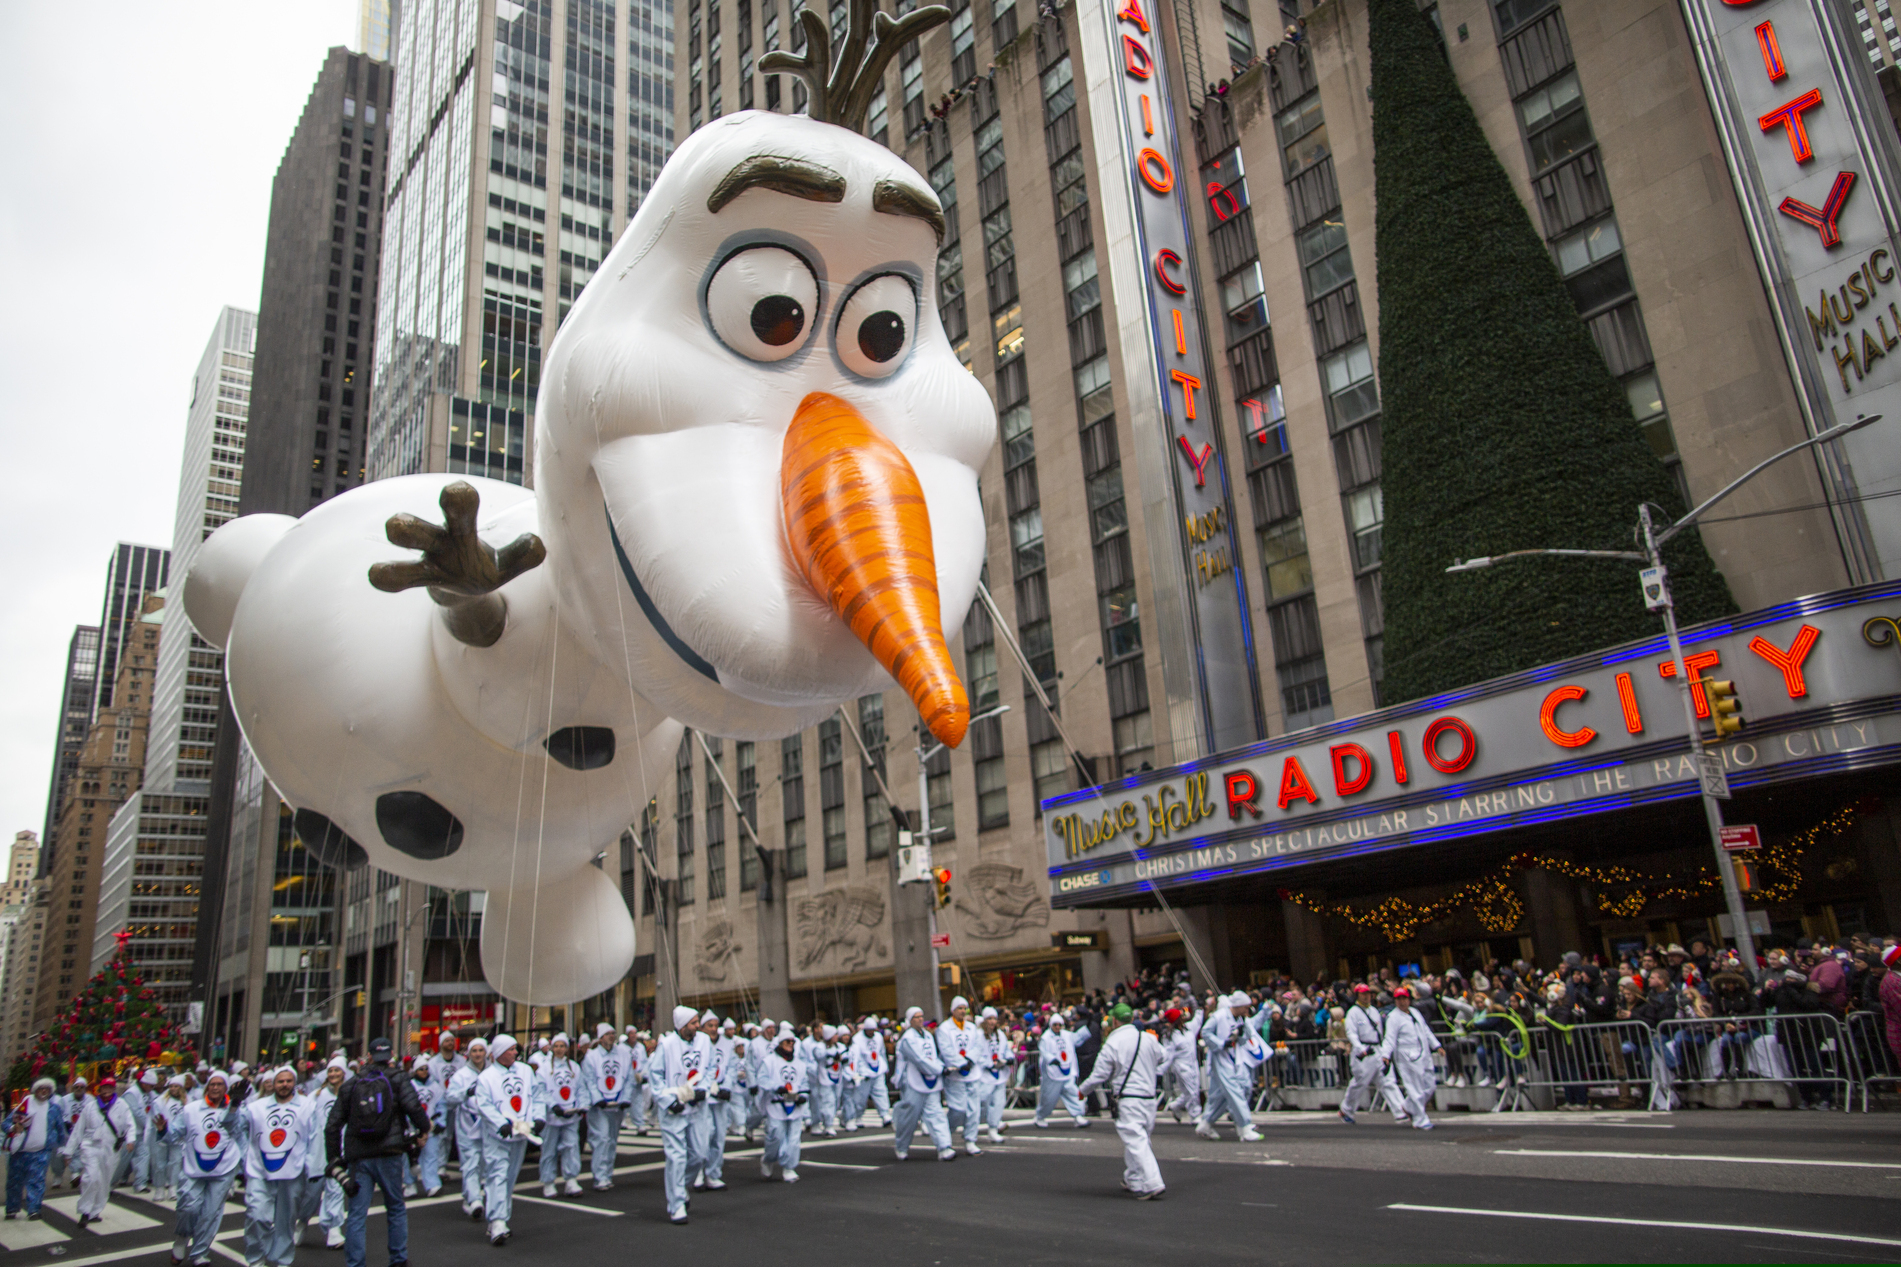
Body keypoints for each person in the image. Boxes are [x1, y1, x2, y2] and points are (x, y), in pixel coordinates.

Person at [325, 1037, 431, 1266]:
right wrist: (424, 1130)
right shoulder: (399, 1078)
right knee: (395, 1207)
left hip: (359, 1155)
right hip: (390, 1151)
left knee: (356, 1214)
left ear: (369, 1056)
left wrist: (334, 1159)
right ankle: (398, 1259)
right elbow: (414, 1107)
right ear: (391, 1054)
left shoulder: (351, 1083)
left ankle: (355, 1263)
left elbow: (332, 1125)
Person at [1077, 1003, 1166, 1200]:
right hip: (1149, 1098)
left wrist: (1083, 1090)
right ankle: (1133, 1178)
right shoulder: (1148, 1038)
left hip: (1128, 1099)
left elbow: (1099, 1074)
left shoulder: (1113, 1043)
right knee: (1139, 1139)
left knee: (1136, 1140)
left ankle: (1153, 1182)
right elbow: (1163, 1057)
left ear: (1115, 1021)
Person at [241, 1066, 321, 1267]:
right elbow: (233, 1127)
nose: (284, 1085)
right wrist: (233, 1106)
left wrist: (313, 1168)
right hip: (259, 1171)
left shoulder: (307, 1105)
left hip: (292, 1173)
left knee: (286, 1223)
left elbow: (314, 1138)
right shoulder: (255, 1107)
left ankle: (283, 1261)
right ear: (273, 1084)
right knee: (257, 1215)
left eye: (288, 1081)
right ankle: (257, 1258)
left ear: (294, 1083)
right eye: (280, 1081)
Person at [168, 1070, 244, 1267]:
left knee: (211, 1213)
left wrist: (234, 1107)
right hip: (194, 1167)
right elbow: (175, 1132)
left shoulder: (235, 1110)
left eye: (220, 1084)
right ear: (207, 1087)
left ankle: (199, 1252)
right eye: (212, 1084)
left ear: (226, 1088)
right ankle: (182, 1237)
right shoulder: (191, 1109)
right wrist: (162, 1131)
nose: (216, 1088)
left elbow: (236, 1131)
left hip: (223, 1169)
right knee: (189, 1208)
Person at [472, 1034, 538, 1245]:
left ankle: (498, 1219)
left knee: (509, 1177)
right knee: (497, 1174)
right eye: (511, 1049)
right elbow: (484, 1104)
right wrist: (500, 1122)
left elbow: (536, 1095)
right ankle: (498, 1221)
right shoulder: (486, 1077)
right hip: (497, 1136)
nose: (516, 1053)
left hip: (521, 1134)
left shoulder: (526, 1071)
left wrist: (539, 1117)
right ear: (500, 1052)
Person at [651, 1004, 713, 1223]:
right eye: (693, 1023)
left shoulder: (704, 1042)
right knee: (676, 1157)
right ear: (682, 1025)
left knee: (699, 1153)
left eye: (698, 1022)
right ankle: (676, 1204)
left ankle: (681, 1186)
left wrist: (703, 1089)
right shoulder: (666, 1045)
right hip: (674, 1110)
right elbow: (655, 1074)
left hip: (697, 1107)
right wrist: (668, 1101)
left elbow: (710, 1068)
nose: (698, 1026)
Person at [62, 1075, 137, 1226]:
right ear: (100, 1089)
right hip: (90, 1146)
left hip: (111, 1148)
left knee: (104, 1181)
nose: (107, 1091)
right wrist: (69, 1151)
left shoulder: (122, 1105)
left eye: (110, 1088)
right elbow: (78, 1130)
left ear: (113, 1089)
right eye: (105, 1088)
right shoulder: (91, 1106)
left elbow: (130, 1124)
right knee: (91, 1178)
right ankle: (85, 1211)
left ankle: (95, 1211)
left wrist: (130, 1140)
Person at [1197, 993, 1262, 1141]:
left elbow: (1245, 1038)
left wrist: (1240, 1034)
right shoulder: (1219, 1016)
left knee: (1223, 1095)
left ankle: (1206, 1123)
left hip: (1235, 1058)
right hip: (1221, 1060)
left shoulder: (1241, 1019)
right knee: (1234, 1092)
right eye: (1246, 1007)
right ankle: (1244, 1127)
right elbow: (1205, 1032)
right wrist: (1221, 1043)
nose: (1247, 1010)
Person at [893, 1006, 955, 1161]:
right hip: (914, 1082)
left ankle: (944, 1147)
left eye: (921, 1016)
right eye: (916, 1017)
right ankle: (901, 1146)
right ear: (910, 1020)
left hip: (931, 1081)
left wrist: (940, 1068)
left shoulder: (928, 1035)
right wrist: (940, 1070)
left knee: (937, 1114)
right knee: (909, 1117)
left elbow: (933, 1057)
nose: (920, 1019)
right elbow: (919, 1059)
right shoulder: (907, 1039)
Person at [4, 1078, 69, 1220]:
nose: (44, 1091)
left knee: (37, 1181)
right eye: (41, 1089)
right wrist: (13, 1128)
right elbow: (5, 1123)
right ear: (35, 1090)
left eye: (47, 1089)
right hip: (19, 1153)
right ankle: (12, 1208)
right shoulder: (24, 1105)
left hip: (41, 1152)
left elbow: (60, 1128)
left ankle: (34, 1209)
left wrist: (62, 1146)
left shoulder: (53, 1108)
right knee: (14, 1182)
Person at [1379, 987, 1443, 1130]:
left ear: (1409, 999)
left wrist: (1436, 1045)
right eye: (1398, 999)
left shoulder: (1415, 1012)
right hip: (1406, 1057)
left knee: (1429, 1085)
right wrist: (1385, 1055)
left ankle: (1408, 1106)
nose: (1401, 1002)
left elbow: (1425, 1030)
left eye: (1404, 998)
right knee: (1415, 1089)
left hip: (1423, 1054)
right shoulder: (1393, 1018)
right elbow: (1389, 1038)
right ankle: (1420, 1119)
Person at [581, 1022, 634, 1190]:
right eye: (608, 1033)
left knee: (611, 1140)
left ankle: (608, 1173)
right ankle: (599, 1176)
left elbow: (629, 1078)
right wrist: (597, 1099)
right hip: (599, 1108)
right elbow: (589, 1080)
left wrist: (625, 1098)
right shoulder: (591, 1057)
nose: (612, 1036)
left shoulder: (624, 1054)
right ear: (600, 1037)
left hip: (616, 1106)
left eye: (613, 1033)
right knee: (602, 1138)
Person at [304, 1059, 350, 1250]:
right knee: (309, 1195)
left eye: (337, 1070)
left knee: (336, 1188)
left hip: (340, 1150)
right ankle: (301, 1219)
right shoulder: (317, 1096)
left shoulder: (350, 1094)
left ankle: (333, 1229)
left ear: (344, 1073)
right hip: (317, 1150)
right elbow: (304, 1120)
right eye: (330, 1071)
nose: (333, 1074)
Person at [758, 1024, 810, 1181]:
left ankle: (789, 1167)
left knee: (794, 1139)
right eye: (787, 1042)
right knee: (776, 1137)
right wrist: (776, 1088)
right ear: (780, 1044)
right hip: (776, 1105)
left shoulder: (800, 1064)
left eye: (792, 1042)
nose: (790, 1045)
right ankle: (768, 1159)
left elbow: (804, 1084)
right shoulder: (769, 1062)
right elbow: (762, 1079)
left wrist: (802, 1096)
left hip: (795, 1105)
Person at [445, 1037, 489, 1219]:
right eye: (474, 1051)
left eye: (481, 1050)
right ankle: (475, 1200)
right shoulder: (461, 1076)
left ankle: (468, 1198)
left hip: (488, 1129)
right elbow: (449, 1099)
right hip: (467, 1129)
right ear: (469, 1054)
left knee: (483, 1166)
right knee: (470, 1164)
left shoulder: (493, 1073)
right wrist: (466, 1093)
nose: (478, 1054)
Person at [537, 1034, 585, 1197]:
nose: (559, 1049)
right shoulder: (544, 1069)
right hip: (552, 1117)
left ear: (566, 1048)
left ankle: (571, 1180)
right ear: (552, 1048)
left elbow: (581, 1088)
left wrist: (582, 1105)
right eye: (556, 1046)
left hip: (571, 1115)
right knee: (549, 1149)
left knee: (571, 1147)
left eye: (562, 1046)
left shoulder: (574, 1067)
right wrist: (553, 1105)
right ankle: (548, 1182)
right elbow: (541, 1090)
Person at [936, 996, 983, 1155]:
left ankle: (970, 1140)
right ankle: (945, 1132)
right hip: (955, 1075)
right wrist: (960, 1062)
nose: (963, 1011)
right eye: (959, 1008)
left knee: (974, 1109)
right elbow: (946, 1049)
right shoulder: (944, 1028)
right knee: (958, 1109)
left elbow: (978, 1045)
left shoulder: (972, 1027)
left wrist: (970, 1060)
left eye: (965, 1008)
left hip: (972, 1073)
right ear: (952, 1010)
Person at [696, 1014, 735, 1191]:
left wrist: (726, 1087)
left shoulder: (727, 1044)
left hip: (720, 1098)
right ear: (702, 1027)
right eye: (709, 1025)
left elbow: (731, 1068)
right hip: (703, 1098)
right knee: (703, 1137)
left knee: (719, 1137)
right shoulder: (698, 1044)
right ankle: (697, 1172)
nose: (713, 1029)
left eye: (715, 1025)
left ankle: (713, 1174)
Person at [1338, 984, 1385, 1124]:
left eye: (1368, 993)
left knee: (1386, 1081)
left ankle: (1402, 1111)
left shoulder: (1374, 1011)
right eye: (1362, 993)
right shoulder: (1353, 1012)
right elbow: (1351, 1033)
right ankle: (1346, 1109)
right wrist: (1359, 1048)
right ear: (1357, 995)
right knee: (1360, 1081)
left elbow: (1380, 1032)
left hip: (1376, 1048)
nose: (1366, 996)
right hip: (1363, 1050)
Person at [1035, 1013, 1089, 1128]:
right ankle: (1040, 1116)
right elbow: (1043, 1051)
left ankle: (1078, 1116)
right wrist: (1052, 1059)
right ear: (1051, 1025)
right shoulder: (1046, 1037)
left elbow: (1077, 1039)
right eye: (1055, 1025)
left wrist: (1088, 1027)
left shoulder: (1066, 1035)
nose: (1058, 1027)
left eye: (1060, 1025)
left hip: (1066, 1071)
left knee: (1074, 1093)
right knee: (1048, 1098)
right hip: (1052, 1074)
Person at [971, 1007, 1012, 1143]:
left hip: (999, 1075)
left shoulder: (1000, 1035)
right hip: (984, 1075)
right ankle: (971, 1126)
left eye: (994, 1018)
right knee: (981, 1101)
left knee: (998, 1102)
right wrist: (989, 1063)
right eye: (989, 1018)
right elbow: (976, 1054)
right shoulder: (978, 1035)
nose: (992, 1021)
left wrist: (1009, 1058)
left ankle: (993, 1129)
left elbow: (1006, 1050)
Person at [406, 1056, 445, 1197]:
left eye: (426, 1069)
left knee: (431, 1156)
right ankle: (410, 1184)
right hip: (412, 1129)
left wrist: (441, 1122)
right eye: (420, 1069)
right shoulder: (410, 1086)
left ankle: (432, 1184)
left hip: (431, 1128)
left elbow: (442, 1106)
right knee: (410, 1159)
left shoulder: (436, 1087)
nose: (424, 1071)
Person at [845, 1016, 892, 1129]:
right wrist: (859, 1072)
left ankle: (885, 1114)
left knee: (881, 1092)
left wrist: (885, 1067)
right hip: (864, 1073)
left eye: (873, 1030)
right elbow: (857, 1057)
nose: (872, 1032)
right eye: (869, 1030)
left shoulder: (878, 1037)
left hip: (877, 1069)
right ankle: (858, 1116)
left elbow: (881, 1052)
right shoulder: (857, 1039)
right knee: (861, 1097)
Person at [1160, 1004, 1203, 1124]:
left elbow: (1198, 1021)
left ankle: (1175, 1106)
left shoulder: (1189, 1029)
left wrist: (1199, 1007)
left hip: (1193, 1063)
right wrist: (1161, 1069)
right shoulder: (1170, 1036)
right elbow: (1167, 1055)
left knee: (1191, 1090)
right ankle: (1195, 1114)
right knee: (1191, 1090)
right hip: (1181, 1066)